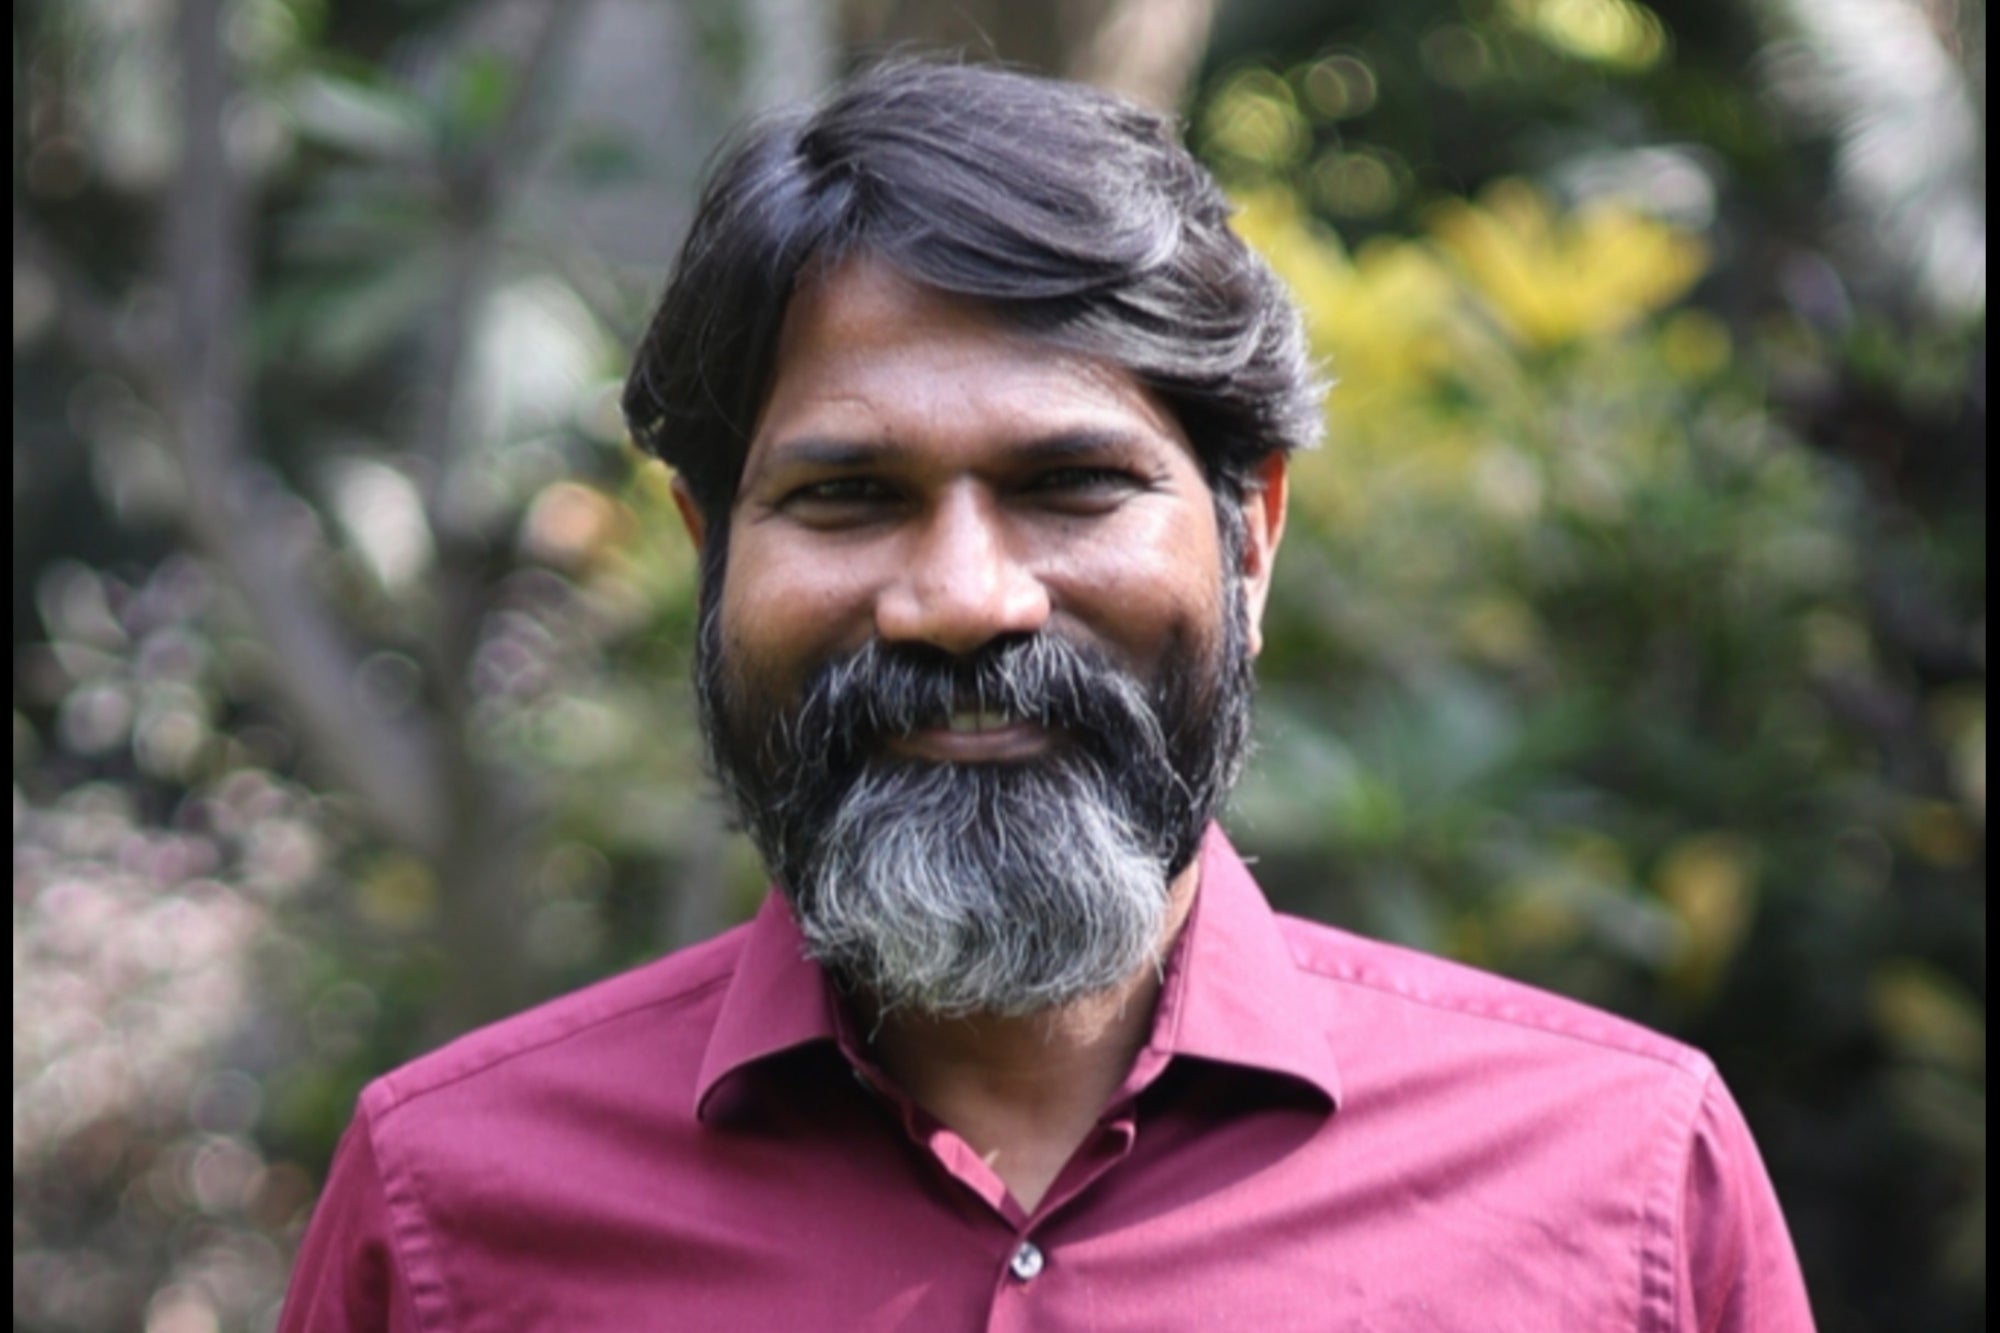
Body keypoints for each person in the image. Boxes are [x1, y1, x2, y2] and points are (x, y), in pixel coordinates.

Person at [278, 60, 1815, 1331]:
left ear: (1251, 541)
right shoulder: (450, 1208)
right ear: (710, 553)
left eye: (1070, 483)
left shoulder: (1620, 1185)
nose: (964, 598)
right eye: (848, 495)